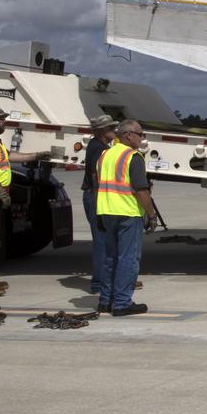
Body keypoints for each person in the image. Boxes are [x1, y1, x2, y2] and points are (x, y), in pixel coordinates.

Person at [96, 119, 157, 315]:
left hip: (106, 211)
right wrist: (151, 214)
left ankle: (106, 301)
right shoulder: (133, 156)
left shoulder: (105, 154)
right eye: (140, 134)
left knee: (110, 258)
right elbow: (141, 190)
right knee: (128, 259)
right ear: (128, 135)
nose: (142, 138)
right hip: (127, 213)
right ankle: (122, 303)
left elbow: (97, 182)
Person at [0, 106, 52, 298]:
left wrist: (35, 156)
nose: (4, 122)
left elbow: (9, 157)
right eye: (1, 119)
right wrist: (2, 193)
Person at [82, 115, 120, 295]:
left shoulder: (99, 146)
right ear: (99, 131)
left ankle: (105, 280)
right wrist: (100, 202)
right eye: (109, 127)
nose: (113, 129)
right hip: (95, 196)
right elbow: (96, 176)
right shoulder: (99, 149)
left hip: (94, 196)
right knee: (101, 241)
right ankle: (99, 283)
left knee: (103, 240)